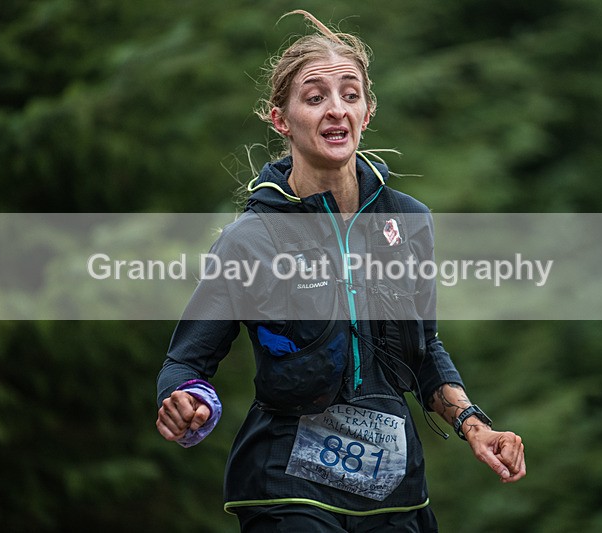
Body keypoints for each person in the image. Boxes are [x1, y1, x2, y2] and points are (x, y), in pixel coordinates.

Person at [156, 10, 525, 532]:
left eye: (349, 95)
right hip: (287, 488)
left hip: (394, 494)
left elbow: (425, 353)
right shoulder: (250, 239)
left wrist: (474, 425)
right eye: (315, 97)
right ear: (280, 119)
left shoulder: (409, 222)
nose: (336, 110)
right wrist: (191, 404)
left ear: (367, 112)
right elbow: (184, 365)